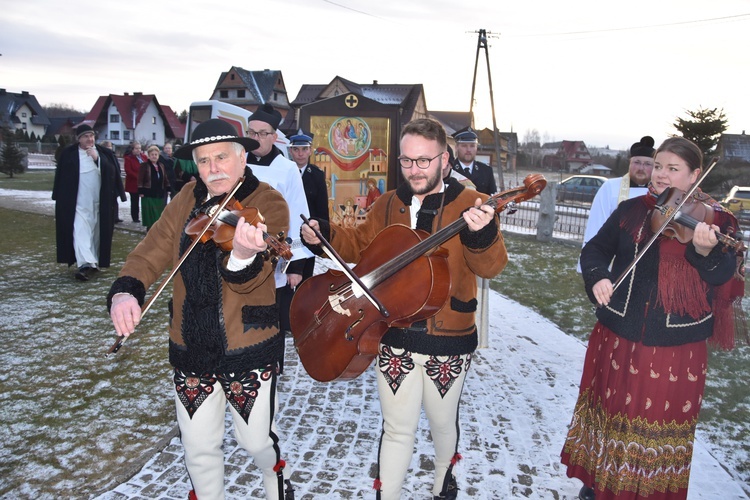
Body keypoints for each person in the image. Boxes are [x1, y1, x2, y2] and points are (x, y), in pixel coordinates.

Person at [301, 118, 508, 499]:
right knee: (397, 427)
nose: (414, 170)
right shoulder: (387, 203)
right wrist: (324, 233)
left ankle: (444, 477)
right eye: (407, 161)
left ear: (445, 160)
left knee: (442, 421)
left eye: (424, 161)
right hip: (393, 331)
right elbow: (360, 248)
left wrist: (482, 233)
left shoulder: (470, 203)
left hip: (448, 336)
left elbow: (491, 267)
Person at [107, 119, 294, 500]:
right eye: (204, 160)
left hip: (247, 345)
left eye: (222, 157)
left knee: (256, 441)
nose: (213, 169)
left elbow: (253, 278)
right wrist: (127, 290)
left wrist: (243, 254)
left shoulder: (268, 202)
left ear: (243, 158)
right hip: (190, 342)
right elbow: (154, 247)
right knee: (198, 448)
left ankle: (276, 484)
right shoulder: (187, 198)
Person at [561, 137, 745, 500]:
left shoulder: (719, 220)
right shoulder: (633, 210)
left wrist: (704, 252)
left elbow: (725, 279)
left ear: (695, 175)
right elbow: (596, 248)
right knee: (611, 412)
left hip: (676, 348)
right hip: (618, 333)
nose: (660, 175)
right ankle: (598, 483)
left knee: (657, 426)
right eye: (658, 166)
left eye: (672, 169)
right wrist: (598, 275)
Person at [245, 104, 314, 334]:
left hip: (274, 259)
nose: (256, 138)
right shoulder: (237, 163)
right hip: (238, 254)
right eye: (251, 132)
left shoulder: (287, 169)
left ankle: (272, 369)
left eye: (262, 133)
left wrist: (295, 265)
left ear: (274, 137)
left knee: (272, 323)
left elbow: (298, 215)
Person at [53, 124, 126, 281]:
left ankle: (93, 262)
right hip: (78, 204)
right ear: (79, 139)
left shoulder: (103, 153)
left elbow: (113, 173)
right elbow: (61, 178)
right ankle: (85, 264)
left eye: (91, 136)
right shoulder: (69, 154)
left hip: (99, 203)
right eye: (86, 136)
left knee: (96, 234)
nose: (90, 139)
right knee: (80, 231)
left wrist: (97, 159)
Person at [576, 136, 655, 272]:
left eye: (648, 164)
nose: (641, 168)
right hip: (616, 260)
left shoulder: (660, 192)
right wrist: (593, 268)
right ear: (629, 163)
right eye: (637, 162)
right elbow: (596, 225)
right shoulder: (610, 187)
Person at [288, 129, 329, 283]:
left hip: (307, 234)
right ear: (290, 150)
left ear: (310, 150)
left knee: (305, 280)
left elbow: (321, 208)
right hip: (287, 233)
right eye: (296, 149)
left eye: (304, 149)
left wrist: (321, 234)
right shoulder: (285, 172)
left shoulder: (317, 175)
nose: (300, 153)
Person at [451, 127, 496, 195]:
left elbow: (492, 198)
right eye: (464, 146)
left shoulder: (486, 171)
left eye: (472, 146)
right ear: (456, 147)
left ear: (476, 148)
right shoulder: (449, 169)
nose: (468, 149)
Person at [138, 145, 170, 231]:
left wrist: (168, 187)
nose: (154, 156)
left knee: (158, 212)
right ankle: (150, 229)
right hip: (148, 193)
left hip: (159, 193)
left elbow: (165, 178)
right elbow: (140, 178)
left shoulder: (161, 165)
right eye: (152, 154)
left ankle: (157, 228)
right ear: (148, 155)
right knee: (150, 213)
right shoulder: (144, 165)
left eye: (156, 154)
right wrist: (140, 190)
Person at [100, 140, 123, 224]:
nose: (110, 149)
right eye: (108, 147)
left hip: (115, 181)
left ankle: (115, 217)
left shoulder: (113, 156)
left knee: (115, 201)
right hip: (107, 182)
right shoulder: (102, 157)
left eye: (110, 147)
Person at [124, 141, 146, 222]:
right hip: (133, 183)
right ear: (132, 149)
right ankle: (135, 217)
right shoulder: (128, 158)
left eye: (139, 148)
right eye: (136, 148)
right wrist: (139, 177)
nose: (138, 150)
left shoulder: (143, 157)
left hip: (144, 183)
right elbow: (128, 171)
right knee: (135, 202)